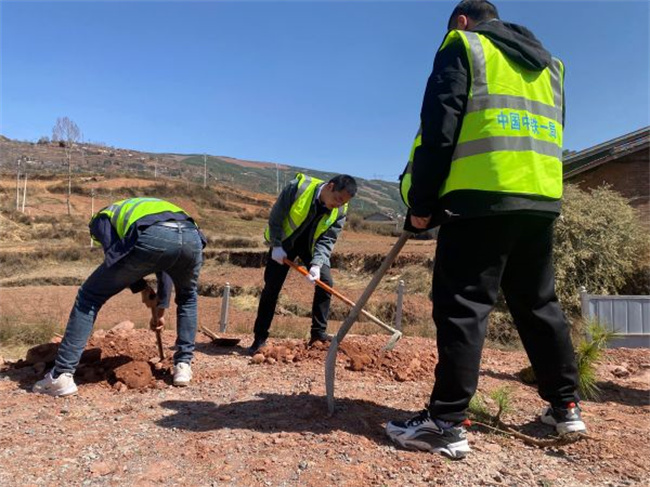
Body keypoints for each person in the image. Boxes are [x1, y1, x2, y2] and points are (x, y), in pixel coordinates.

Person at [387, 0, 585, 459]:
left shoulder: (464, 45)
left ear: (461, 21)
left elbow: (439, 129)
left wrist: (422, 205)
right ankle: (566, 406)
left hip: (479, 200)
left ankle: (446, 422)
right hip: (540, 198)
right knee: (538, 304)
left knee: (463, 306)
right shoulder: (551, 66)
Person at [33, 197, 206, 396]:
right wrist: (159, 310)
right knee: (187, 297)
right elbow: (166, 263)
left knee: (89, 296)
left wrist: (141, 288)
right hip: (192, 236)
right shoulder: (150, 208)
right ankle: (183, 366)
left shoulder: (100, 219)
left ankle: (61, 375)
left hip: (152, 235)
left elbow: (115, 255)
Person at [249, 173, 357, 354]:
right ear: (330, 187)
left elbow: (328, 239)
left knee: (325, 283)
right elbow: (276, 217)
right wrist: (276, 245)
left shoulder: (340, 210)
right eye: (338, 199)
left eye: (343, 202)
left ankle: (318, 335)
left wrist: (317, 264)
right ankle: (259, 338)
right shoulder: (298, 188)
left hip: (311, 246)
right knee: (272, 287)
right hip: (285, 241)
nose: (339, 204)